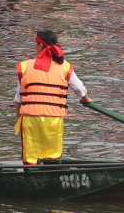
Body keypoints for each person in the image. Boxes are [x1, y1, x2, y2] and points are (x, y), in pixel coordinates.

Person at [15, 29, 87, 165]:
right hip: (53, 120)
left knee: (31, 158)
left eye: (35, 43)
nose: (34, 46)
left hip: (30, 120)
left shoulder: (26, 66)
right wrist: (86, 99)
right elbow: (80, 89)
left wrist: (18, 118)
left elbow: (19, 97)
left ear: (41, 46)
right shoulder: (64, 66)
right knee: (52, 157)